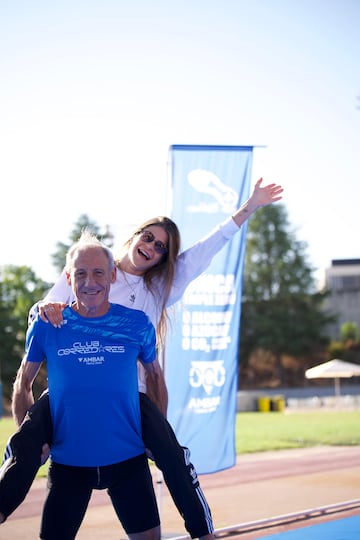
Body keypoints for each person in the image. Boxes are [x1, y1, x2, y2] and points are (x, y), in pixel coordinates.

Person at [0, 177, 283, 537]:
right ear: (133, 237)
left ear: (164, 257)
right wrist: (45, 309)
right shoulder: (93, 268)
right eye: (147, 236)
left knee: (172, 454)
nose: (151, 245)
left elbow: (208, 246)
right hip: (73, 389)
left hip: (127, 395)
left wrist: (251, 205)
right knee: (23, 444)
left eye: (161, 246)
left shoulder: (162, 286)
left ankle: (202, 530)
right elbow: (42, 311)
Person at [9, 231, 162, 540]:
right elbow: (23, 383)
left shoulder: (135, 323)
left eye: (98, 273)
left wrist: (157, 435)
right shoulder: (48, 322)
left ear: (112, 275)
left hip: (129, 460)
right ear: (69, 276)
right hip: (68, 463)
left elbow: (156, 378)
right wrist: (29, 440)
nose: (89, 281)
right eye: (81, 273)